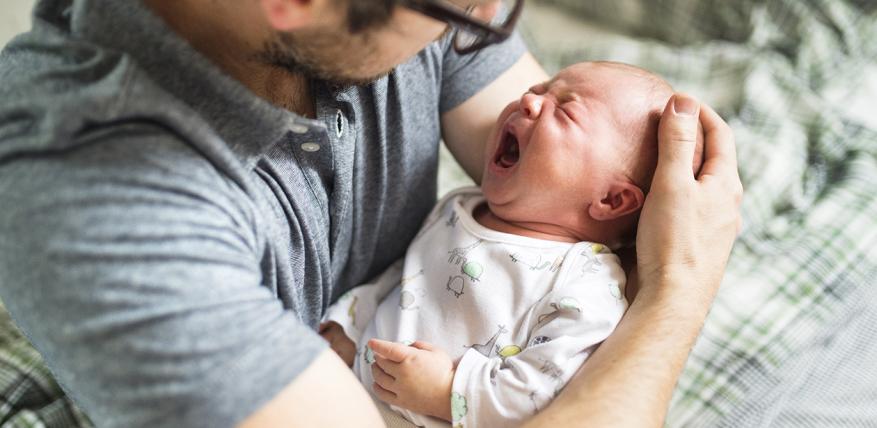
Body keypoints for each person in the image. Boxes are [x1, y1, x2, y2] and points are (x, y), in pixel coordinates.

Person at [0, 1, 742, 427]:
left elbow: (569, 197)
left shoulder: (398, 15)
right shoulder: (93, 204)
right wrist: (678, 287)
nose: (487, 14)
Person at [317, 61, 704, 427]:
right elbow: (406, 280)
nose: (529, 101)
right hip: (344, 391)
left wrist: (448, 389)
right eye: (539, 89)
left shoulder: (587, 282)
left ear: (611, 201)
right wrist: (349, 325)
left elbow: (542, 390)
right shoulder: (461, 206)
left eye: (566, 111)